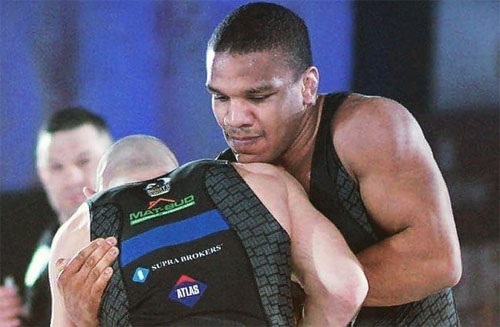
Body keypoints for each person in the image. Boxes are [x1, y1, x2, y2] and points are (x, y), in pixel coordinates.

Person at [57, 2, 463, 326]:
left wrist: (289, 288)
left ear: (307, 86)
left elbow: (437, 261)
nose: (235, 119)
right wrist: (84, 314)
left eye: (258, 97)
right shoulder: (225, 184)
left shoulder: (364, 129)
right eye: (221, 97)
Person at [49, 134, 368, 327]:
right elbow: (344, 288)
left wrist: (83, 322)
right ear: (179, 173)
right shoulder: (260, 182)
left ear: (93, 194)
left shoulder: (82, 228)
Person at [0, 107, 113, 327]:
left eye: (83, 161)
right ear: (42, 174)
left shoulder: (135, 238)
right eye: (56, 167)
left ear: (109, 161)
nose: (71, 177)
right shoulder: (36, 243)